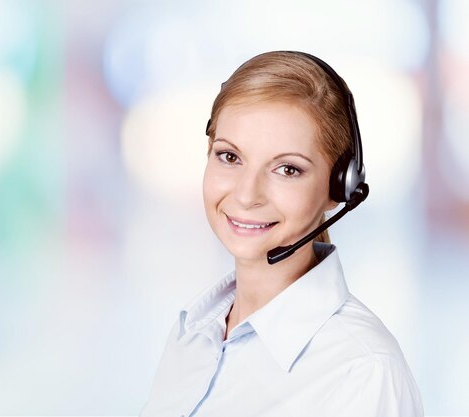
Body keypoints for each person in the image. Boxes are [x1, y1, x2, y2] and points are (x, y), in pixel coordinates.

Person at [139, 51, 424, 417]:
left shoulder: (363, 372)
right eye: (229, 157)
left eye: (287, 169)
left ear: (340, 187)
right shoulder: (194, 333)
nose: (246, 194)